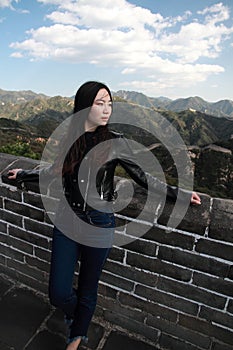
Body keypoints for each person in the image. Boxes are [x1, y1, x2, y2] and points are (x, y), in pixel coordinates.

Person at [8, 81, 201, 350]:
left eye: (109, 103)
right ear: (84, 106)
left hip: (99, 223)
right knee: (59, 293)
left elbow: (142, 177)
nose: (107, 109)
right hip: (66, 220)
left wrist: (179, 194)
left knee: (88, 289)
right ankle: (79, 318)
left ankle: (76, 338)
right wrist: (24, 174)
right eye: (100, 103)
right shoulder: (70, 140)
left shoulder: (115, 142)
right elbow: (54, 171)